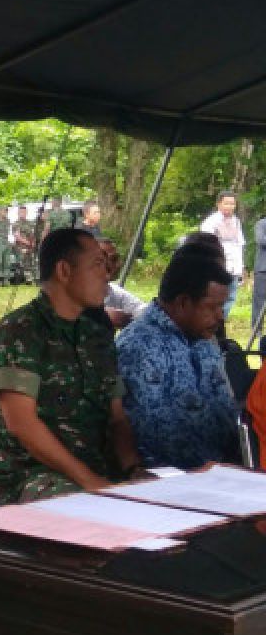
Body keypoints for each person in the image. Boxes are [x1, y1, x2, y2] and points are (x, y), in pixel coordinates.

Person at [0, 228, 146, 503]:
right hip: (33, 478)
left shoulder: (95, 336)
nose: (106, 274)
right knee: (91, 513)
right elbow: (21, 424)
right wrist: (92, 483)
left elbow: (117, 418)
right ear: (64, 270)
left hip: (99, 472)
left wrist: (134, 470)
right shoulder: (19, 332)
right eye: (97, 265)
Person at [116, 252, 237, 470]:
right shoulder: (139, 346)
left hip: (218, 471)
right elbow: (156, 434)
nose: (221, 316)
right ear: (182, 302)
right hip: (167, 478)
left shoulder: (203, 338)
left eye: (222, 306)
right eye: (212, 307)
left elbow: (225, 412)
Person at [200, 190, 244, 319]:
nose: (230, 206)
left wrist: (241, 267)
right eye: (227, 203)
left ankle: (220, 323)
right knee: (215, 297)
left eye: (232, 204)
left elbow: (239, 244)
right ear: (219, 204)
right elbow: (205, 244)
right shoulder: (211, 221)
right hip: (217, 265)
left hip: (233, 266)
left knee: (231, 296)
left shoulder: (236, 221)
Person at [97, 237, 146, 328]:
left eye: (118, 258)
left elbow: (141, 310)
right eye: (113, 259)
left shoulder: (113, 292)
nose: (119, 264)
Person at [254, 210, 266, 333]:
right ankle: (257, 329)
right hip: (263, 269)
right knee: (260, 301)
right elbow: (261, 240)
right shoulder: (261, 224)